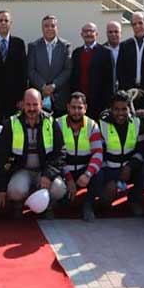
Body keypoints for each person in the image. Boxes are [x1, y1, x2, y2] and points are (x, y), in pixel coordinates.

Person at [0, 88, 66, 217]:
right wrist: (0, 188)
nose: (31, 108)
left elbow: (60, 153)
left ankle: (48, 206)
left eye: (35, 104)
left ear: (41, 104)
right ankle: (18, 205)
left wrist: (48, 175)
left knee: (59, 188)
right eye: (28, 105)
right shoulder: (11, 124)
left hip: (43, 170)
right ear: (22, 104)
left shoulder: (51, 123)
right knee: (15, 190)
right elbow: (0, 156)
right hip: (22, 170)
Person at [90, 91, 144, 216]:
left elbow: (142, 150)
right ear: (111, 109)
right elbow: (98, 153)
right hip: (108, 170)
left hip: (129, 169)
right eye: (116, 109)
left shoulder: (138, 123)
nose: (120, 113)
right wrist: (111, 179)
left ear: (129, 109)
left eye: (124, 109)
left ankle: (133, 201)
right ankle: (97, 202)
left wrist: (130, 167)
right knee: (105, 199)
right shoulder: (101, 124)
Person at [57, 92, 103, 222]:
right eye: (73, 107)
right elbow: (57, 157)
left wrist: (88, 174)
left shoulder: (92, 125)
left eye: (80, 107)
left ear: (85, 108)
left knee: (99, 175)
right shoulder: (57, 124)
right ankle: (55, 204)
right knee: (60, 195)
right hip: (64, 171)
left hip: (84, 170)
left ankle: (88, 205)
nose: (76, 111)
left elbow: (98, 153)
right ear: (67, 107)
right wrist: (69, 178)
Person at [27, 15, 73, 114]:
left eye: (53, 26)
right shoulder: (33, 46)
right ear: (42, 28)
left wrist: (53, 86)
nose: (50, 29)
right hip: (39, 99)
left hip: (60, 98)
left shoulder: (66, 46)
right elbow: (31, 70)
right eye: (46, 26)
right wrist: (43, 87)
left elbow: (67, 69)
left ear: (57, 28)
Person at [69, 23, 114, 120]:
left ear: (96, 34)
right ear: (82, 35)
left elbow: (110, 80)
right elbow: (73, 78)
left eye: (91, 31)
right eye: (85, 31)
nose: (88, 33)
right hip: (79, 103)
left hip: (98, 102)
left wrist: (108, 104)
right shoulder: (76, 53)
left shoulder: (106, 53)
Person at [104, 20, 122, 90]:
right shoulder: (100, 51)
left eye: (116, 32)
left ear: (121, 33)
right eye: (110, 32)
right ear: (106, 33)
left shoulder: (127, 49)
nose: (113, 34)